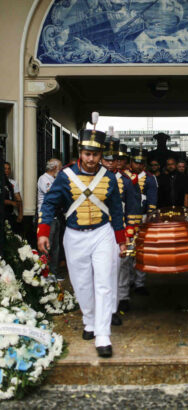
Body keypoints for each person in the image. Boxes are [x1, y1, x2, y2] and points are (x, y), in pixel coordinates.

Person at [37, 119, 126, 358]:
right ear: (81, 153)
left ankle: (103, 334)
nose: (91, 159)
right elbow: (49, 204)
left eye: (96, 155)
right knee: (82, 284)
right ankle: (89, 320)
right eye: (88, 154)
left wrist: (121, 239)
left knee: (105, 283)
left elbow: (116, 210)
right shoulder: (65, 176)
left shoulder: (109, 177)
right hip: (75, 235)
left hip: (102, 233)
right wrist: (43, 232)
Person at [101, 133, 142, 315]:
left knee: (121, 265)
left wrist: (130, 229)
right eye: (109, 159)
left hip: (120, 227)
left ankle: (121, 298)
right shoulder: (97, 178)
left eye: (116, 159)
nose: (113, 163)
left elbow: (133, 207)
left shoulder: (127, 180)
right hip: (99, 227)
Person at [127, 145, 158, 295]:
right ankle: (128, 281)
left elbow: (152, 200)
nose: (139, 165)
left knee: (141, 251)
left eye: (141, 163)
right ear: (131, 162)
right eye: (136, 162)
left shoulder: (150, 178)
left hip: (143, 217)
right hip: (127, 219)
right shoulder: (124, 176)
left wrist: (149, 218)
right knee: (127, 251)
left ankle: (140, 282)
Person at [37, 158, 62, 279]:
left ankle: (54, 274)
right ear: (54, 168)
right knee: (47, 247)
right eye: (60, 167)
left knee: (55, 248)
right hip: (47, 218)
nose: (61, 170)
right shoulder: (44, 179)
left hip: (56, 217)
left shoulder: (54, 179)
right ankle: (44, 275)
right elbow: (52, 195)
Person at [4, 161, 23, 233]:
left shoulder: (13, 183)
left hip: (10, 214)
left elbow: (19, 199)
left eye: (9, 169)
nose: (7, 171)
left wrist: (20, 215)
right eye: (5, 168)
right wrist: (11, 202)